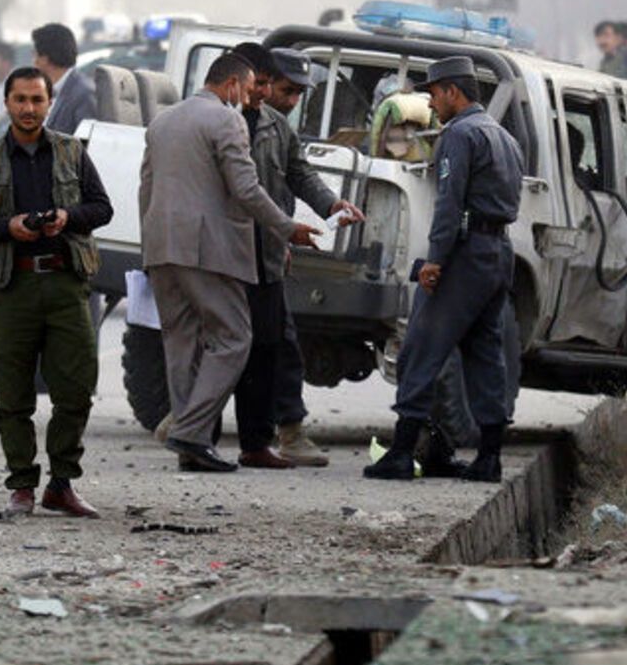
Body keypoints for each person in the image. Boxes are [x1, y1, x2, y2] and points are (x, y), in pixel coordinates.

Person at [139, 49, 319, 473]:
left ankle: (191, 446)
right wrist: (286, 227)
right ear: (234, 85)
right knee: (236, 336)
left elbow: (146, 188)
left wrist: (150, 247)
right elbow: (247, 188)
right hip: (208, 250)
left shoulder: (163, 120)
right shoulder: (226, 118)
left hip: (162, 246)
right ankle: (190, 431)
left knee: (182, 344)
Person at [0, 66, 113, 516]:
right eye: (20, 100)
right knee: (11, 391)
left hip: (65, 283)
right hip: (12, 286)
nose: (28, 109)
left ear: (49, 102)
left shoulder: (71, 153)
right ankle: (21, 484)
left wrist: (67, 217)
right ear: (6, 103)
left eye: (37, 100)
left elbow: (103, 208)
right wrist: (7, 227)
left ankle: (61, 484)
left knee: (76, 388)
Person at [366, 56, 523, 483]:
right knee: (486, 355)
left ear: (453, 91)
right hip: (498, 253)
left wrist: (435, 259)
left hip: (465, 254)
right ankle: (489, 456)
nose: (432, 106)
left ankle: (401, 452)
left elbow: (449, 203)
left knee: (421, 345)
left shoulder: (460, 135)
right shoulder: (504, 137)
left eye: (434, 95)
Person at [232, 44, 363, 468]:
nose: (287, 101)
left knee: (276, 344)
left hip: (267, 251)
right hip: (224, 251)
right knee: (217, 342)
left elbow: (299, 171)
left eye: (295, 93)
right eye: (281, 89)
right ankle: (188, 423)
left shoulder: (276, 127)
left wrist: (331, 204)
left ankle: (284, 431)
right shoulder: (221, 121)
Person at [34, 23, 96, 135]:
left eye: (36, 55)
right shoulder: (53, 91)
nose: (34, 62)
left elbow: (84, 146)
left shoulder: (83, 94)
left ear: (45, 58)